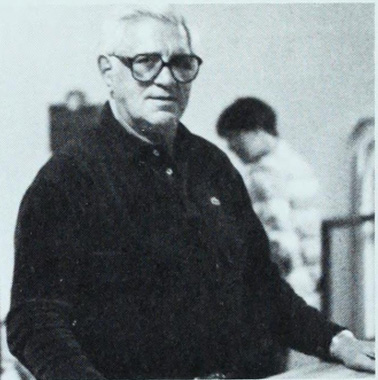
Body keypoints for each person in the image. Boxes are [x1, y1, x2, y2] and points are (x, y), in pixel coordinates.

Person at [7, 6, 375, 380]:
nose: (166, 79)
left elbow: (261, 288)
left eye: (181, 63)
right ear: (108, 71)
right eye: (146, 62)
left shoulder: (212, 165)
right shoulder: (66, 179)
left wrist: (336, 340)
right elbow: (33, 319)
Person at [216, 97, 321, 309]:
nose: (231, 147)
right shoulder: (296, 163)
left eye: (235, 137)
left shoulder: (265, 173)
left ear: (256, 130)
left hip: (288, 278)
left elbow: (277, 233)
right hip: (311, 275)